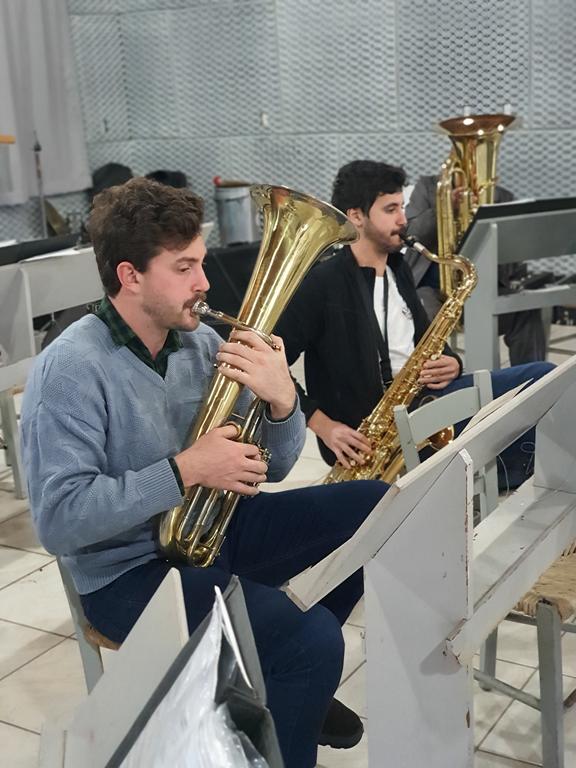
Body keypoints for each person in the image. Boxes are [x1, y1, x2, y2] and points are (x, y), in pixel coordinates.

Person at [20, 177, 390, 768]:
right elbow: (60, 522)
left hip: (210, 534)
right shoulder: (69, 368)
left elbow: (274, 468)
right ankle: (296, 673)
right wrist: (186, 469)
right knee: (313, 641)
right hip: (126, 573)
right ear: (130, 276)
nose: (205, 283)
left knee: (377, 508)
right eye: (184, 267)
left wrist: (283, 404)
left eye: (200, 262)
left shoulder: (197, 345)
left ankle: (291, 682)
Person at [275, 160, 555, 489]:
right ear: (356, 216)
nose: (403, 220)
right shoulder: (323, 283)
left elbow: (426, 339)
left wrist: (452, 361)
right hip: (374, 430)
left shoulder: (399, 268)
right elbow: (270, 364)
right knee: (529, 395)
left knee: (544, 378)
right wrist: (323, 426)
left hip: (423, 400)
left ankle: (511, 479)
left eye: (402, 207)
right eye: (390, 209)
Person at [405, 174, 547, 365]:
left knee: (525, 310)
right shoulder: (429, 188)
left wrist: (488, 219)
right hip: (431, 289)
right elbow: (411, 233)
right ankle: (434, 379)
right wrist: (445, 207)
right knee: (425, 322)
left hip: (482, 287)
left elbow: (514, 257)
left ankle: (532, 378)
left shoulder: (501, 197)